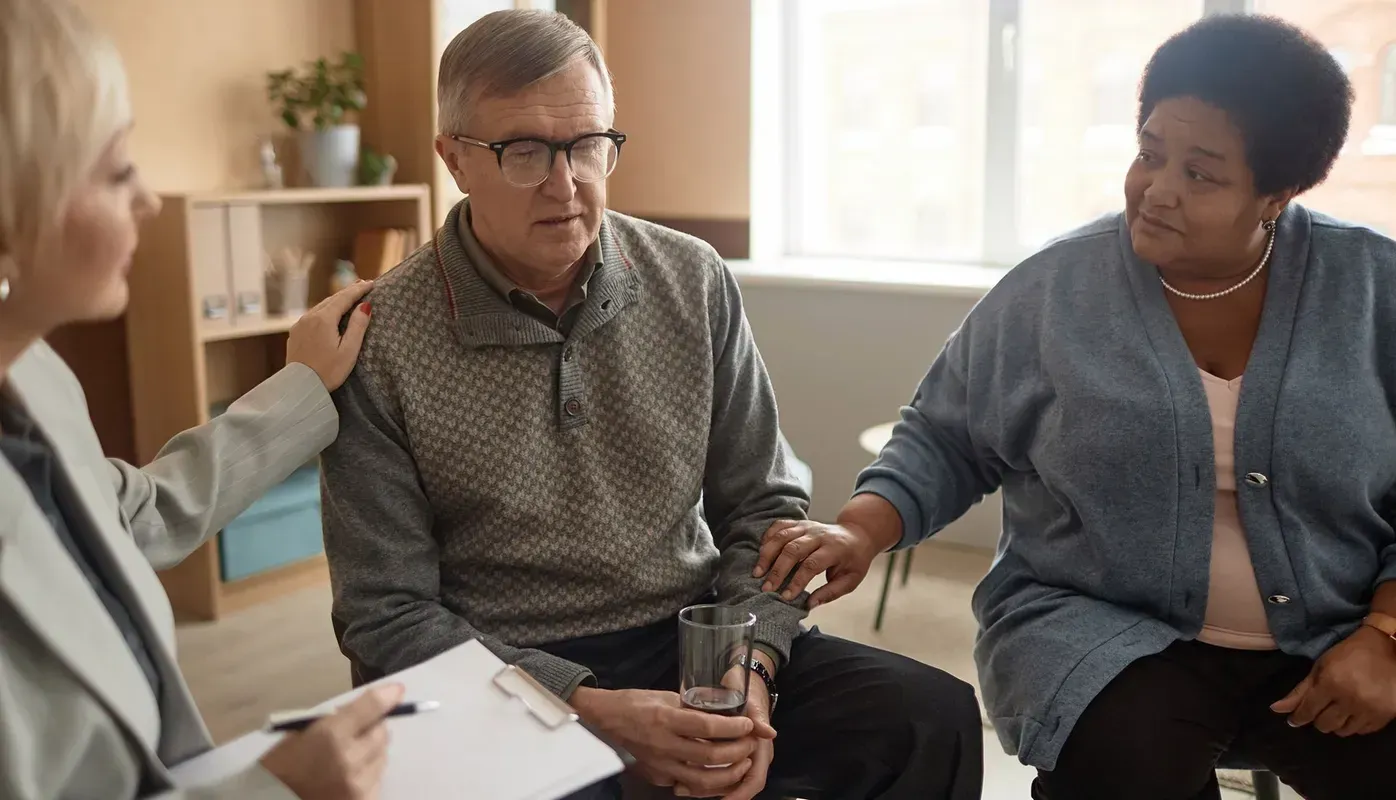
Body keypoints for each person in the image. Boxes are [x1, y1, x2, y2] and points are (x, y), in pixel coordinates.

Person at [319, 9, 982, 800]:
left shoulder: (692, 279)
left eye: (588, 145)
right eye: (525, 152)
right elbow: (385, 614)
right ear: (455, 159)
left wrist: (749, 671)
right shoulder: (379, 338)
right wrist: (583, 711)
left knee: (929, 717)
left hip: (695, 635)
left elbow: (762, 506)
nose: (566, 185)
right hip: (503, 668)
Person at [754, 13, 1396, 800]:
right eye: (1149, 153)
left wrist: (1385, 637)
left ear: (1277, 192)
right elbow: (946, 436)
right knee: (1119, 764)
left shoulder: (1372, 289)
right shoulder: (1055, 288)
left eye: (1201, 174)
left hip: (1341, 636)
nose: (1156, 189)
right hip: (1103, 633)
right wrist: (859, 529)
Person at [0, 1, 403, 798]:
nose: (148, 202)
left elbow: (137, 512)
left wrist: (301, 387)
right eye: (118, 171)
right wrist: (275, 789)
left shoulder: (35, 375)